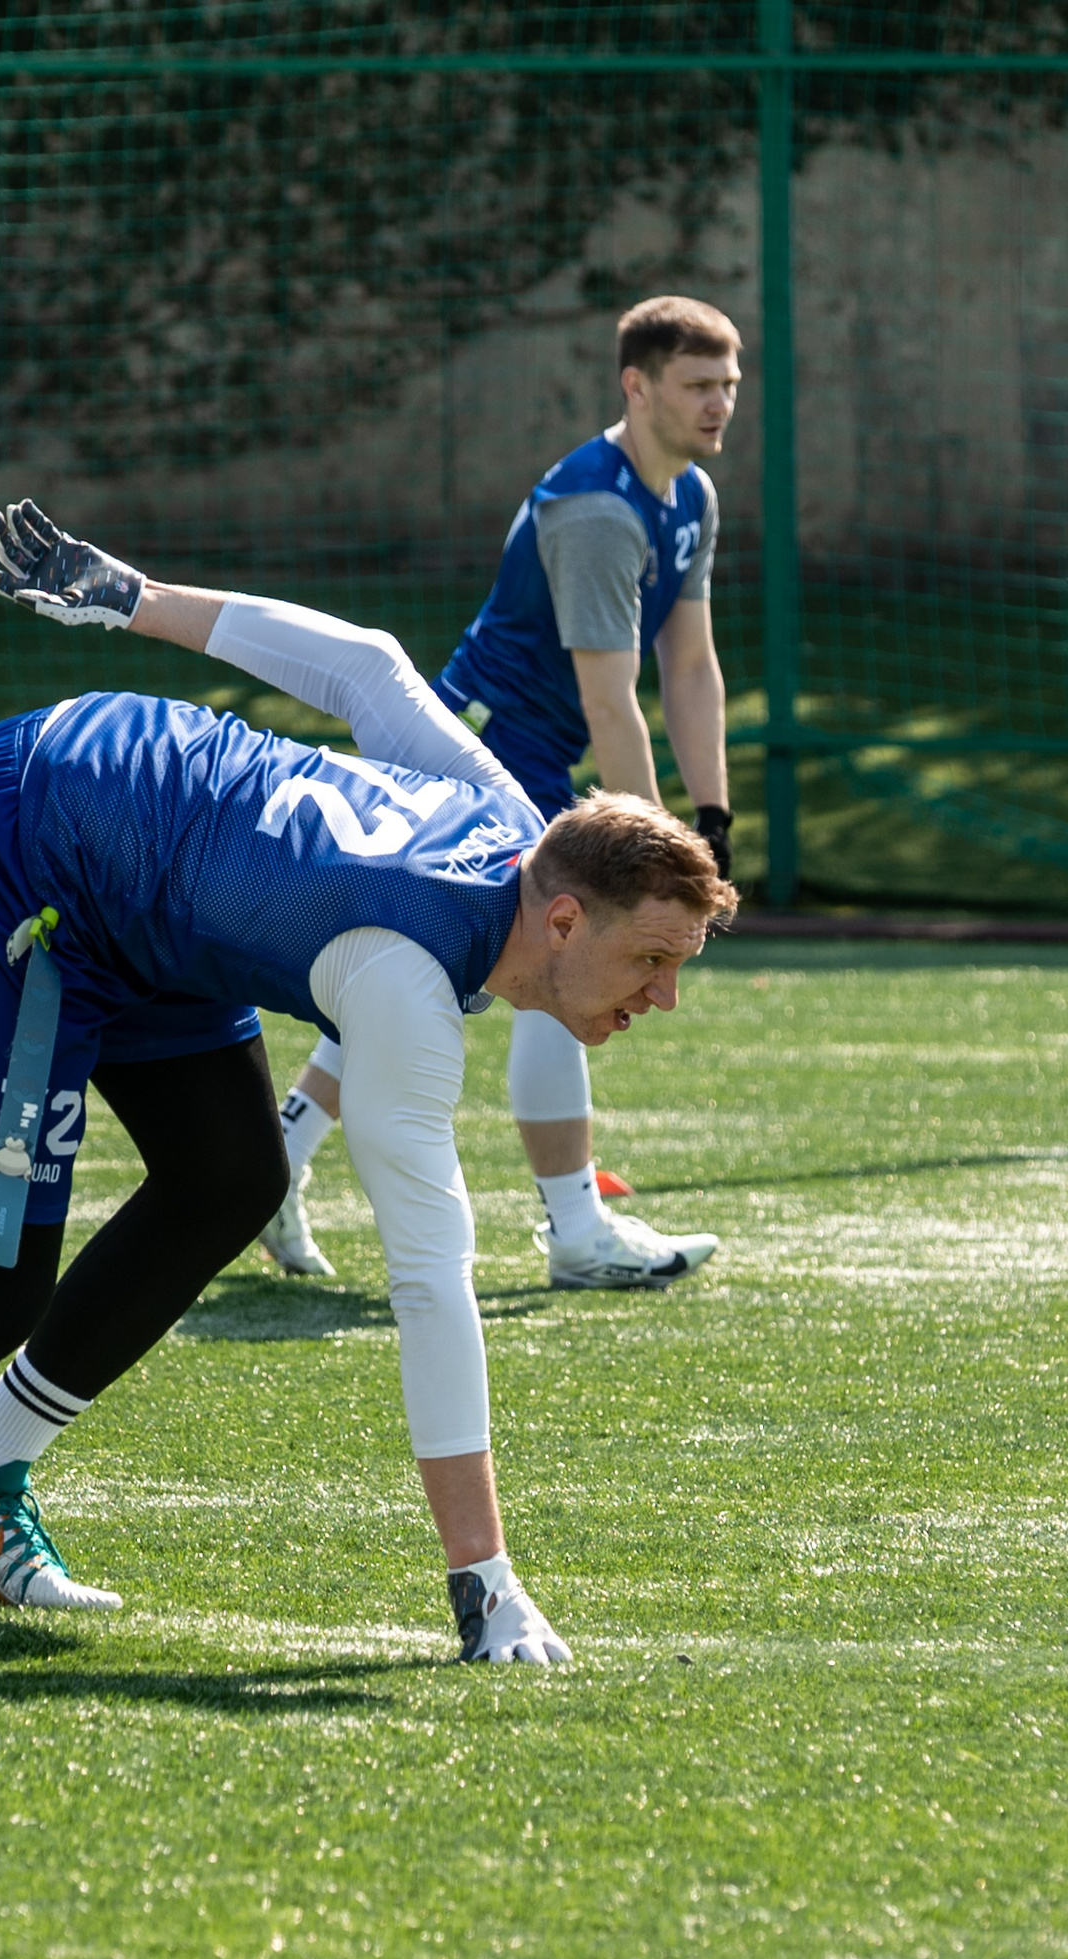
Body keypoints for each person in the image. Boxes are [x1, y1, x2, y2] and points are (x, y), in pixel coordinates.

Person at [0, 502, 734, 1660]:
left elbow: (368, 666)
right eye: (651, 960)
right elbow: (429, 1281)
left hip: (153, 866)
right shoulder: (412, 986)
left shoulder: (516, 825)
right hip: (23, 849)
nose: (661, 996)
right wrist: (483, 1581)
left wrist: (135, 599)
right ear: (563, 915)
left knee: (228, 1176)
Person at [260, 296, 739, 1291]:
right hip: (483, 755)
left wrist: (712, 817)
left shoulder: (688, 495)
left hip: (532, 752)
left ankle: (276, 1159)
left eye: (729, 384)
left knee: (446, 977)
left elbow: (687, 665)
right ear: (635, 385)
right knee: (554, 968)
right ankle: (575, 1230)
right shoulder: (601, 514)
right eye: (697, 384)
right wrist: (656, 861)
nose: (718, 403)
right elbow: (613, 702)